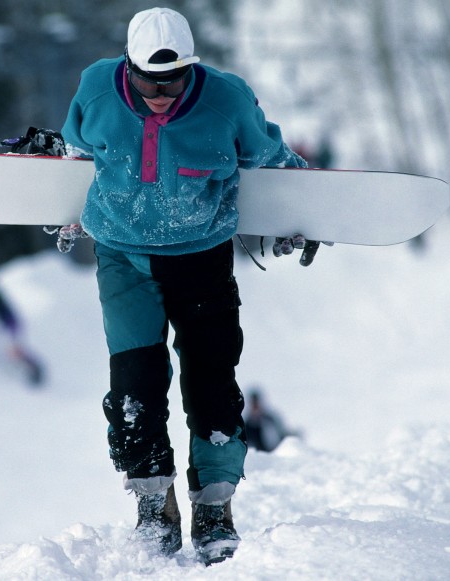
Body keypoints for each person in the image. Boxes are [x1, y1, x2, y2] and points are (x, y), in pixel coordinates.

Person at [53, 7, 314, 564]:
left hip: (203, 258)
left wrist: (311, 212)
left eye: (173, 79)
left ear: (192, 68)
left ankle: (214, 506)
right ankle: (155, 504)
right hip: (123, 257)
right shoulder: (97, 89)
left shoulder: (227, 101)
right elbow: (77, 145)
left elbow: (269, 157)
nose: (161, 91)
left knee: (212, 382)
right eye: (149, 79)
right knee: (134, 385)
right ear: (129, 67)